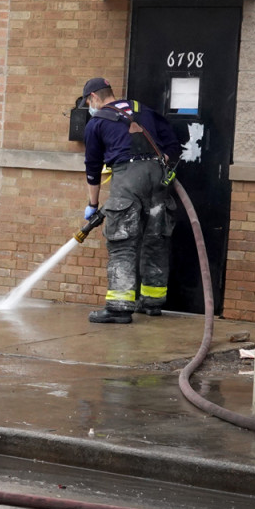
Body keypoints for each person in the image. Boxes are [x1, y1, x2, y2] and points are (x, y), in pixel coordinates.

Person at [80, 77, 180, 324]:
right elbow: (174, 146)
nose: (89, 107)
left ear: (93, 97)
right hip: (158, 178)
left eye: (87, 102)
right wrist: (158, 163)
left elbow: (93, 167)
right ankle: (152, 303)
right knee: (155, 239)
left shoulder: (97, 122)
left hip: (127, 178)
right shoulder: (143, 110)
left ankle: (119, 308)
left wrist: (93, 205)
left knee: (122, 242)